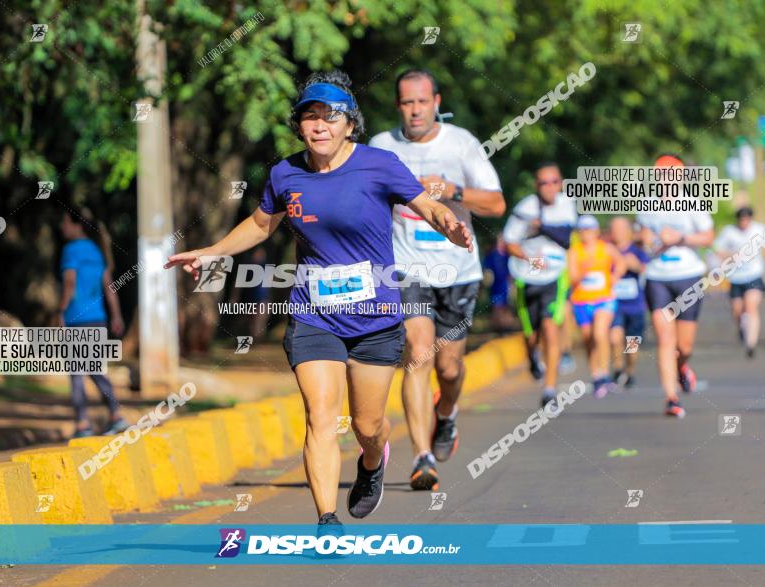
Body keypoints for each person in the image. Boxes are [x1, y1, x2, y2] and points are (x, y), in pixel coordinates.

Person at [166, 70, 472, 527]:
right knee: (321, 416)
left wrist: (447, 223)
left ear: (351, 124)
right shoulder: (284, 173)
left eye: (330, 117)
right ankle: (326, 519)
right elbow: (259, 224)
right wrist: (210, 252)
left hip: (375, 318)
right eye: (309, 118)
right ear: (299, 126)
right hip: (315, 316)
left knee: (367, 427)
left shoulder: (379, 164)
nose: (319, 126)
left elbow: (423, 204)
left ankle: (372, 461)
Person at [369, 69, 505, 491]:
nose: (415, 110)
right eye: (407, 102)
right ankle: (422, 456)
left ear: (436, 102)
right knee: (419, 353)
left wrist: (452, 192)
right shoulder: (381, 147)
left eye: (422, 101)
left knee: (448, 367)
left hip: (458, 271)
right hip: (408, 268)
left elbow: (497, 204)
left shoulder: (461, 143)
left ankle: (446, 414)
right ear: (398, 106)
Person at [637, 154, 714, 418]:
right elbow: (643, 237)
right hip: (657, 277)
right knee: (665, 339)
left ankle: (682, 367)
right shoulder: (646, 205)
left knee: (686, 346)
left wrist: (680, 237)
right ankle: (671, 398)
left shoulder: (691, 203)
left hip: (688, 276)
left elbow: (708, 236)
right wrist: (645, 239)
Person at [503, 162, 578, 408]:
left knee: (550, 327)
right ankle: (532, 356)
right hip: (528, 273)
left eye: (554, 182)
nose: (549, 187)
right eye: (543, 183)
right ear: (536, 186)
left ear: (561, 183)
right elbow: (509, 243)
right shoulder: (524, 208)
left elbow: (565, 238)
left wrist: (540, 226)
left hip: (554, 276)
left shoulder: (566, 204)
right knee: (530, 334)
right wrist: (529, 258)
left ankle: (549, 390)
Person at [58, 204, 128, 437]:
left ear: (76, 225)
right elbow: (110, 288)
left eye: (66, 222)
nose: (62, 227)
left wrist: (60, 311)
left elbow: (69, 282)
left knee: (77, 372)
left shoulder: (71, 250)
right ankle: (116, 415)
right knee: (96, 369)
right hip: (98, 319)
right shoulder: (98, 251)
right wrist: (116, 315)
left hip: (76, 318)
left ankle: (82, 424)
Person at [567, 215, 625, 398]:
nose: (587, 233)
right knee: (588, 338)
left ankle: (605, 372)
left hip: (604, 298)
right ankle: (596, 375)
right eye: (583, 230)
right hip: (582, 301)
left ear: (597, 231)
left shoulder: (606, 248)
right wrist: (583, 271)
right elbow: (572, 277)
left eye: (590, 229)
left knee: (600, 334)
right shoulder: (574, 252)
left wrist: (615, 277)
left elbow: (621, 263)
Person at [713, 207, 765, 358]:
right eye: (741, 220)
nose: (744, 223)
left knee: (751, 307)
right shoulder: (729, 232)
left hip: (754, 275)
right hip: (735, 277)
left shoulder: (759, 229)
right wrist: (731, 256)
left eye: (746, 219)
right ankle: (742, 329)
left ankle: (751, 344)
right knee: (737, 311)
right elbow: (718, 250)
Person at [608, 217, 649, 388]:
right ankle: (618, 369)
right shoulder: (607, 251)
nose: (616, 233)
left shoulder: (637, 251)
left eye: (620, 229)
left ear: (627, 231)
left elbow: (648, 271)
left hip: (635, 306)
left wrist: (636, 265)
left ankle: (630, 370)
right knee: (614, 338)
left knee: (632, 344)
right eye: (613, 229)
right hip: (613, 304)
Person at [483, 235, 514, 334]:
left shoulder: (508, 255)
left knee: (507, 306)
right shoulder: (492, 255)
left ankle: (507, 327)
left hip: (507, 284)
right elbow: (487, 270)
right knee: (497, 306)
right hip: (496, 285)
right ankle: (498, 327)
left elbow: (513, 269)